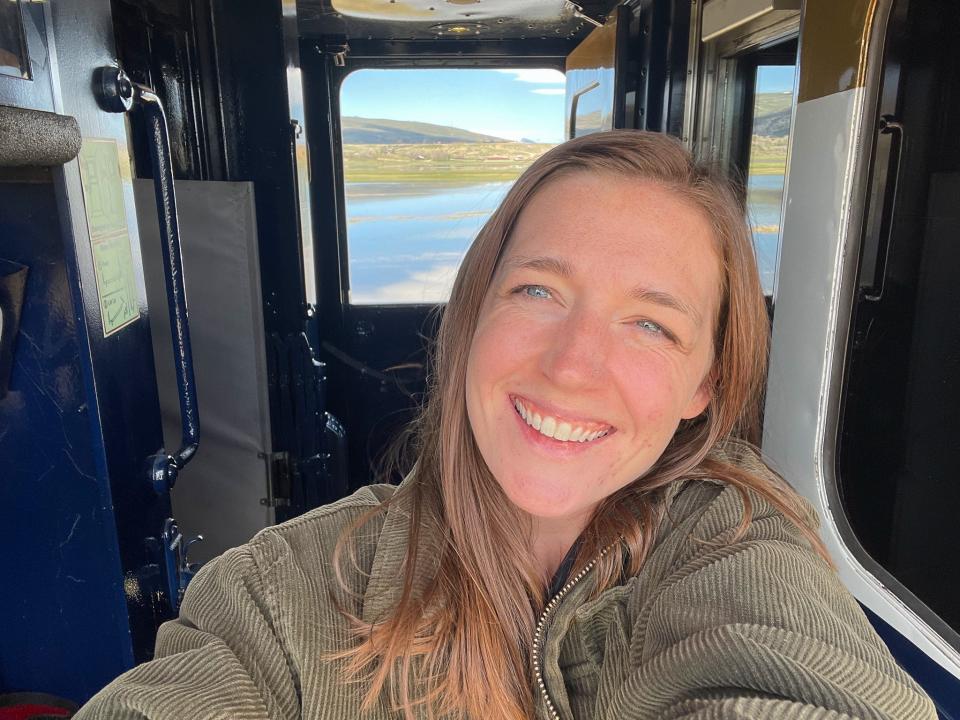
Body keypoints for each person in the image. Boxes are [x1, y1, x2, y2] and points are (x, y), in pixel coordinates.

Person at [75, 131, 936, 720]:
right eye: (537, 291)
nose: (570, 366)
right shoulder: (279, 592)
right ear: (473, 315)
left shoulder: (740, 548)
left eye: (649, 324)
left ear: (705, 385)